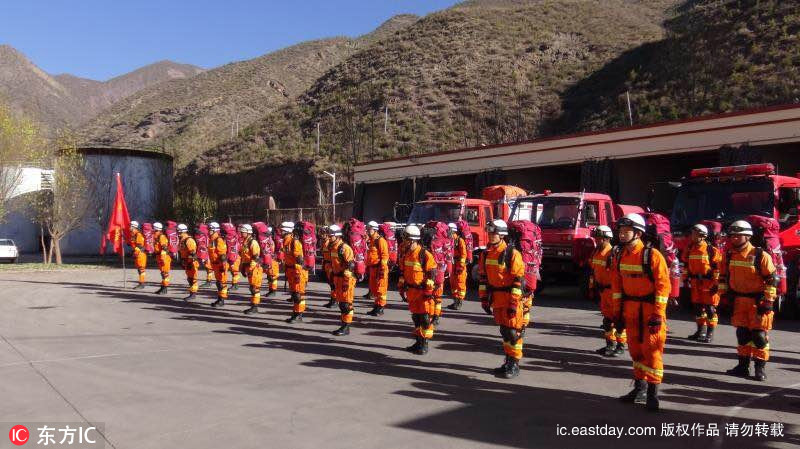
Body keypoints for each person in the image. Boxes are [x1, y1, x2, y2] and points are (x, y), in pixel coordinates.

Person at [612, 213, 670, 411]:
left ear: (638, 233)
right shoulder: (620, 255)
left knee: (652, 352)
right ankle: (640, 389)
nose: (621, 234)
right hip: (630, 310)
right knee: (635, 351)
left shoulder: (652, 255)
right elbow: (617, 286)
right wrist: (617, 314)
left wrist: (658, 314)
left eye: (626, 231)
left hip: (650, 311)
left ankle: (653, 394)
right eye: (620, 231)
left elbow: (663, 287)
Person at [719, 220, 777, 382]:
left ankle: (760, 368)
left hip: (757, 302)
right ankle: (742, 366)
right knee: (742, 334)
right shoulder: (728, 255)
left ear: (748, 236)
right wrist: (723, 296)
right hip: (739, 301)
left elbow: (772, 279)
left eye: (738, 236)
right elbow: (723, 277)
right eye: (732, 236)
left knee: (759, 336)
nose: (734, 238)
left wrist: (768, 301)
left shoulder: (760, 255)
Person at [479, 219, 525, 378]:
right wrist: (484, 299)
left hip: (510, 298)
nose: (490, 235)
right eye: (489, 233)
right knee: (504, 332)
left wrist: (513, 303)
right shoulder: (486, 254)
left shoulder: (512, 254)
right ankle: (508, 361)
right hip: (496, 299)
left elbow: (518, 281)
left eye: (494, 233)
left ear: (502, 235)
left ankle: (515, 364)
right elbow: (483, 279)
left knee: (513, 332)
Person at [400, 225, 437, 355]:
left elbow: (432, 274)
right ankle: (418, 341)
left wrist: (428, 292)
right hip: (411, 292)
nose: (404, 242)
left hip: (422, 293)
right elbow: (403, 272)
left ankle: (424, 343)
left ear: (412, 240)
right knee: (416, 318)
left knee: (424, 319)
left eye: (406, 239)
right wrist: (401, 287)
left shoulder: (424, 255)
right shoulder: (406, 254)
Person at [589, 225, 626, 356]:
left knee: (619, 320)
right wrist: (591, 287)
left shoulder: (613, 254)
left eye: (599, 238)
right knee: (607, 321)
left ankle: (621, 345)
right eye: (596, 238)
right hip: (603, 292)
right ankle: (610, 344)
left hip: (613, 292)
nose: (596, 240)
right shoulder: (596, 252)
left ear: (607, 238)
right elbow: (593, 272)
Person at [683, 223, 722, 343]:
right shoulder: (689, 249)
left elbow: (717, 268)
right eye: (692, 234)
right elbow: (686, 266)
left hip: (708, 283)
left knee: (710, 309)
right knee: (698, 308)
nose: (692, 236)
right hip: (695, 282)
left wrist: (716, 284)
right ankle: (700, 331)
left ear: (703, 236)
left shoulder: (711, 250)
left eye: (695, 234)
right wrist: (685, 279)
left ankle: (710, 333)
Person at [329, 225, 356, 335]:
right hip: (338, 278)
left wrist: (346, 279)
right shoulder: (333, 247)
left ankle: (346, 327)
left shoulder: (344, 248)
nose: (329, 237)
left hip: (346, 279)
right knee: (341, 303)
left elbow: (351, 264)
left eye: (331, 235)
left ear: (337, 236)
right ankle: (344, 325)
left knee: (346, 304)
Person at [283, 222, 309, 323]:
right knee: (294, 294)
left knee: (298, 294)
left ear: (287, 231)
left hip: (297, 271)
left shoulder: (294, 242)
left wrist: (298, 274)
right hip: (291, 271)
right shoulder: (286, 241)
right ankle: (296, 313)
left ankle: (299, 315)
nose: (281, 232)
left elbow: (299, 260)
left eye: (283, 230)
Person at [366, 221, 389, 316]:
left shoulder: (380, 240)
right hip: (373, 268)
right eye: (367, 229)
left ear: (375, 230)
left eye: (369, 229)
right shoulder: (371, 240)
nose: (368, 231)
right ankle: (376, 306)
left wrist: (382, 269)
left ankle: (381, 308)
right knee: (374, 288)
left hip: (380, 268)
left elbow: (385, 255)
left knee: (381, 289)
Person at [238, 224, 263, 315]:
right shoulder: (245, 242)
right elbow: (244, 256)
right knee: (252, 287)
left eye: (243, 232)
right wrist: (242, 267)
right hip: (248, 267)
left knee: (254, 288)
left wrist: (251, 269)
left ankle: (255, 307)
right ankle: (253, 305)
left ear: (248, 232)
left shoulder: (253, 242)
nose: (241, 233)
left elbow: (255, 258)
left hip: (254, 268)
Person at [208, 222, 229, 308]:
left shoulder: (218, 240)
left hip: (220, 265)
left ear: (214, 230)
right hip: (215, 265)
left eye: (210, 229)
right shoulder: (212, 239)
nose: (208, 231)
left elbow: (223, 255)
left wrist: (223, 266)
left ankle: (222, 300)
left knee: (221, 283)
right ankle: (220, 298)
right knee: (218, 283)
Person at [448, 222, 468, 310]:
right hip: (452, 264)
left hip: (459, 264)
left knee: (460, 283)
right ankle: (455, 301)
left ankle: (459, 301)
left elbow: (464, 254)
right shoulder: (449, 241)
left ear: (453, 231)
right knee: (453, 283)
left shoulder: (460, 241)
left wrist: (461, 266)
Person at [177, 224, 199, 301]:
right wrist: (182, 261)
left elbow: (193, 253)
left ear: (182, 231)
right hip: (187, 262)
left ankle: (193, 294)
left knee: (193, 278)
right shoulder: (182, 240)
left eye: (179, 231)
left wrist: (189, 262)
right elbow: (182, 252)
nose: (177, 233)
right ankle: (192, 292)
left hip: (191, 262)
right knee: (190, 278)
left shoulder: (188, 240)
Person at [153, 222, 171, 295]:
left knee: (165, 273)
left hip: (164, 257)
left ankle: (165, 288)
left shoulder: (161, 236)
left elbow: (164, 248)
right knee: (163, 273)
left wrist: (162, 258)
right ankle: (163, 287)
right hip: (159, 256)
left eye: (153, 228)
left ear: (156, 229)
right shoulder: (156, 236)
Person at [321, 226, 337, 308]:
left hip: (331, 265)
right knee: (331, 284)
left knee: (333, 284)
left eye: (323, 233)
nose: (322, 235)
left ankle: (335, 300)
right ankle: (332, 300)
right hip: (327, 264)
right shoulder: (325, 242)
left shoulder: (329, 243)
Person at [128, 221, 147, 289]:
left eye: (130, 226)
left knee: (141, 269)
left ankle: (142, 284)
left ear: (134, 227)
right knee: (139, 269)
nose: (129, 227)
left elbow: (140, 246)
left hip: (140, 254)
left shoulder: (138, 234)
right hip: (137, 254)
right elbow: (131, 244)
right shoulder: (133, 234)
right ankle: (141, 283)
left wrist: (135, 253)